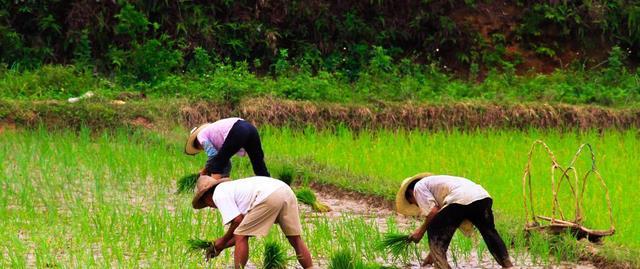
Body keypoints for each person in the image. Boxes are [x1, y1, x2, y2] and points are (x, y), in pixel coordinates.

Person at [191, 175, 315, 269]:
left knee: (240, 234)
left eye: (206, 204)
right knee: (295, 239)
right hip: (285, 191)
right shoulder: (234, 190)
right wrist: (219, 246)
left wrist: (221, 241)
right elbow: (245, 231)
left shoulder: (218, 194)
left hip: (269, 195)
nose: (211, 207)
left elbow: (238, 225)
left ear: (207, 197)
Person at [396, 173, 514, 269]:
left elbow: (433, 212)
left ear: (411, 194)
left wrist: (420, 232)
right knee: (489, 232)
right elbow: (448, 228)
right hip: (482, 196)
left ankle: (441, 266)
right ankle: (507, 265)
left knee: (433, 226)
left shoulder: (418, 188)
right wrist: (433, 253)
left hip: (461, 199)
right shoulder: (439, 182)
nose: (417, 204)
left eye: (412, 202)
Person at [185, 117, 269, 179]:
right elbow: (225, 160)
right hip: (251, 128)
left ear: (197, 143)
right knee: (259, 166)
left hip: (238, 129)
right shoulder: (212, 134)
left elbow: (213, 156)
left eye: (201, 148)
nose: (203, 148)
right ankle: (271, 188)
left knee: (216, 166)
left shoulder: (200, 136)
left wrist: (204, 171)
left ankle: (214, 192)